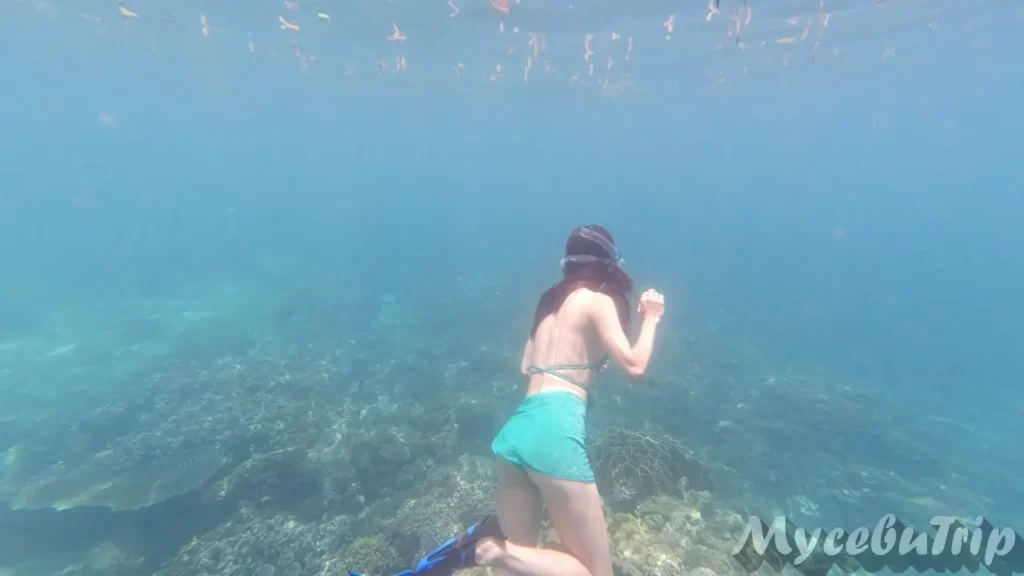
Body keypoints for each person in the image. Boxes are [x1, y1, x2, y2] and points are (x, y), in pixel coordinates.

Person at [350, 225, 664, 576]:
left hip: (517, 433)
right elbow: (635, 367)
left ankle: (470, 554)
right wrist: (651, 318)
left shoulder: (548, 306)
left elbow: (527, 365)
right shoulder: (597, 300)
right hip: (555, 434)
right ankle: (486, 549)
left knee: (515, 568)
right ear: (605, 263)